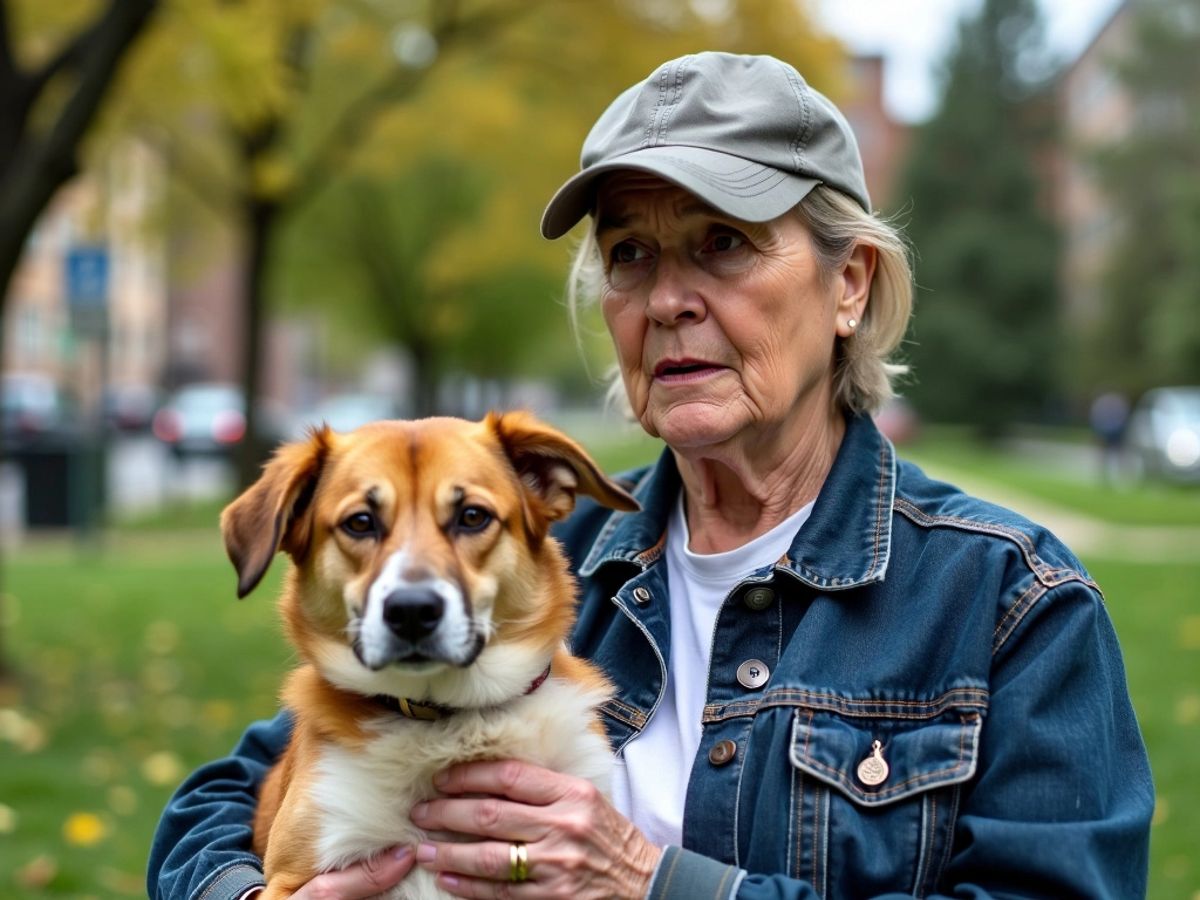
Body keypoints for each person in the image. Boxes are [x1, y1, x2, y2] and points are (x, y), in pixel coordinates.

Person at [149, 52, 1153, 900]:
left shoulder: (1009, 604)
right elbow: (216, 805)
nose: (669, 298)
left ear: (849, 285)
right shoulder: (536, 555)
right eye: (632, 254)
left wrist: (654, 881)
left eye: (723, 243)